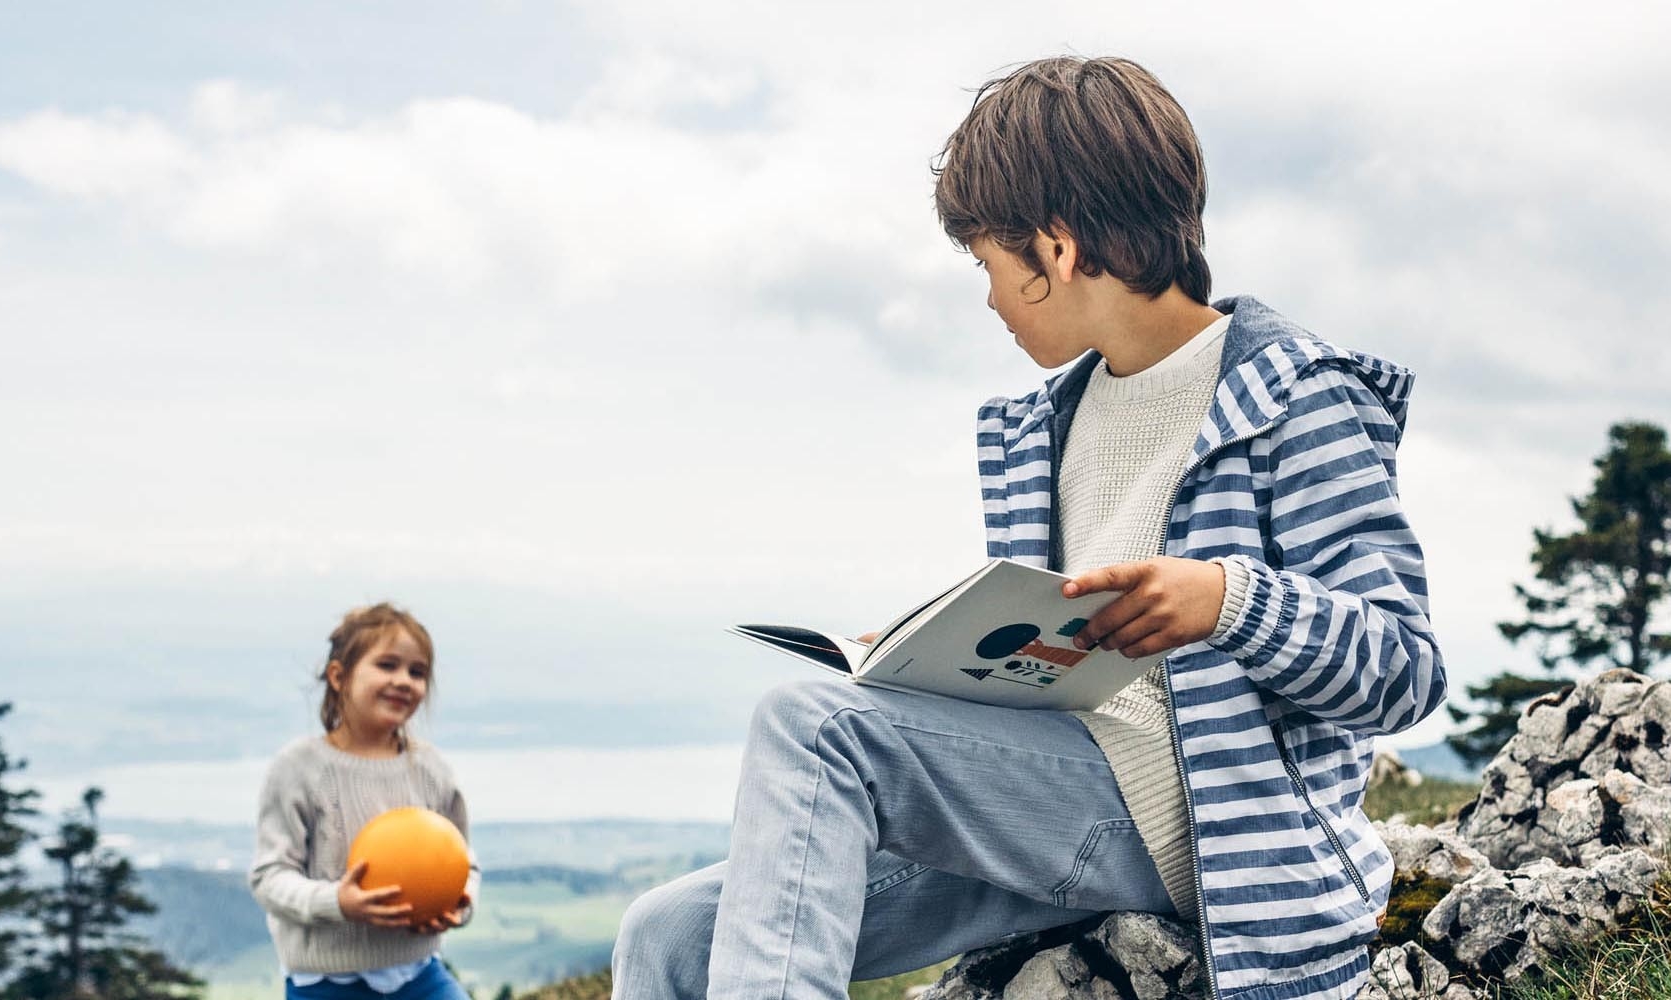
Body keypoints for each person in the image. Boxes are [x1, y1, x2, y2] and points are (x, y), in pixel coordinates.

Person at [615, 55, 1444, 1000]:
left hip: (1202, 827)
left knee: (813, 727)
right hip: (1052, 809)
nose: (989, 297)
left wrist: (1227, 601)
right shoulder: (1038, 431)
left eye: (989, 265)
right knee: (670, 934)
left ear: (1054, 251)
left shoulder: (1296, 396)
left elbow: (1405, 668)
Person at [252, 603, 480, 1000]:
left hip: (420, 977)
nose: (404, 681)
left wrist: (459, 904)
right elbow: (269, 877)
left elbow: (465, 862)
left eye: (417, 671)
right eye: (387, 665)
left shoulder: (432, 769)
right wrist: (336, 901)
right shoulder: (297, 769)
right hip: (324, 984)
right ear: (339, 676)